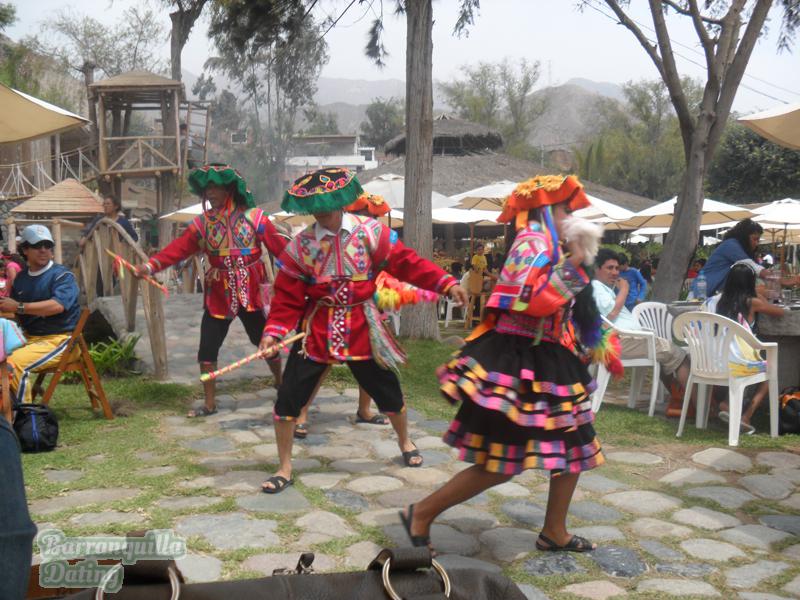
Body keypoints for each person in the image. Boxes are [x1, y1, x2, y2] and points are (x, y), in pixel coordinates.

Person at [399, 175, 616, 554]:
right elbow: (526, 304)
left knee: (575, 446)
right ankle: (421, 513)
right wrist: (574, 269)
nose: (573, 215)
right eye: (566, 208)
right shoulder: (532, 242)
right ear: (547, 209)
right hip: (518, 366)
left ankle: (555, 530)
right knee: (502, 461)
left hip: (548, 363)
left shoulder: (552, 245)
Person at [258, 167, 468, 493]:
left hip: (363, 328)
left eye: (326, 202)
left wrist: (445, 282)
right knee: (288, 397)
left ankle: (405, 441)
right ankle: (284, 467)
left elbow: (407, 263)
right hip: (318, 332)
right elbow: (286, 297)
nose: (321, 210)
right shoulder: (301, 247)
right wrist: (274, 332)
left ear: (340, 200)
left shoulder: (371, 233)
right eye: (314, 205)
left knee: (387, 389)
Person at [134, 164, 288, 417]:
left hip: (250, 294)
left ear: (230, 189)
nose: (210, 193)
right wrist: (151, 266)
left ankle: (281, 382)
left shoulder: (256, 218)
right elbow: (178, 249)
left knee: (265, 341)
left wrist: (303, 275)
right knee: (207, 348)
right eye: (207, 188)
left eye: (215, 187)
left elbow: (281, 249)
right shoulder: (202, 224)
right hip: (218, 295)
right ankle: (209, 403)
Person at [294, 192, 397, 438]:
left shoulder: (372, 234)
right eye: (365, 214)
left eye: (373, 215)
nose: (369, 219)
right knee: (319, 364)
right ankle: (301, 412)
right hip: (328, 308)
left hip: (366, 305)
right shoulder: (327, 235)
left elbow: (387, 263)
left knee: (369, 362)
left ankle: (365, 410)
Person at [592, 249, 691, 416]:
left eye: (617, 268)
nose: (615, 272)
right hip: (621, 340)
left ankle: (680, 401)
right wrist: (624, 288)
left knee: (665, 356)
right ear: (596, 268)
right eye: (610, 268)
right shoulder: (595, 287)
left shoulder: (600, 287)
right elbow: (612, 313)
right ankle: (702, 406)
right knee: (679, 354)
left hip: (624, 338)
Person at [0, 225, 80, 404]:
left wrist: (19, 307)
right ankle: (6, 411)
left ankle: (23, 419)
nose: (44, 250)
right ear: (25, 250)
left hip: (61, 340)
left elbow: (57, 306)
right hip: (29, 339)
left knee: (12, 363)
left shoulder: (62, 276)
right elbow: (14, 311)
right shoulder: (21, 279)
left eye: (47, 245)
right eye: (38, 245)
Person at [707, 263, 787, 434]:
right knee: (769, 370)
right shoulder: (752, 302)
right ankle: (747, 414)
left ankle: (727, 404)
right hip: (740, 363)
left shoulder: (717, 301)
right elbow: (779, 312)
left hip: (714, 361)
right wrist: (759, 294)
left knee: (746, 359)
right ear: (750, 283)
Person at [692, 219, 798, 297]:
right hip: (701, 295)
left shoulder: (738, 248)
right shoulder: (730, 245)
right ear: (744, 236)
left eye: (758, 240)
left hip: (713, 294)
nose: (756, 244)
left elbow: (758, 271)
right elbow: (755, 268)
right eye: (754, 239)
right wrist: (785, 281)